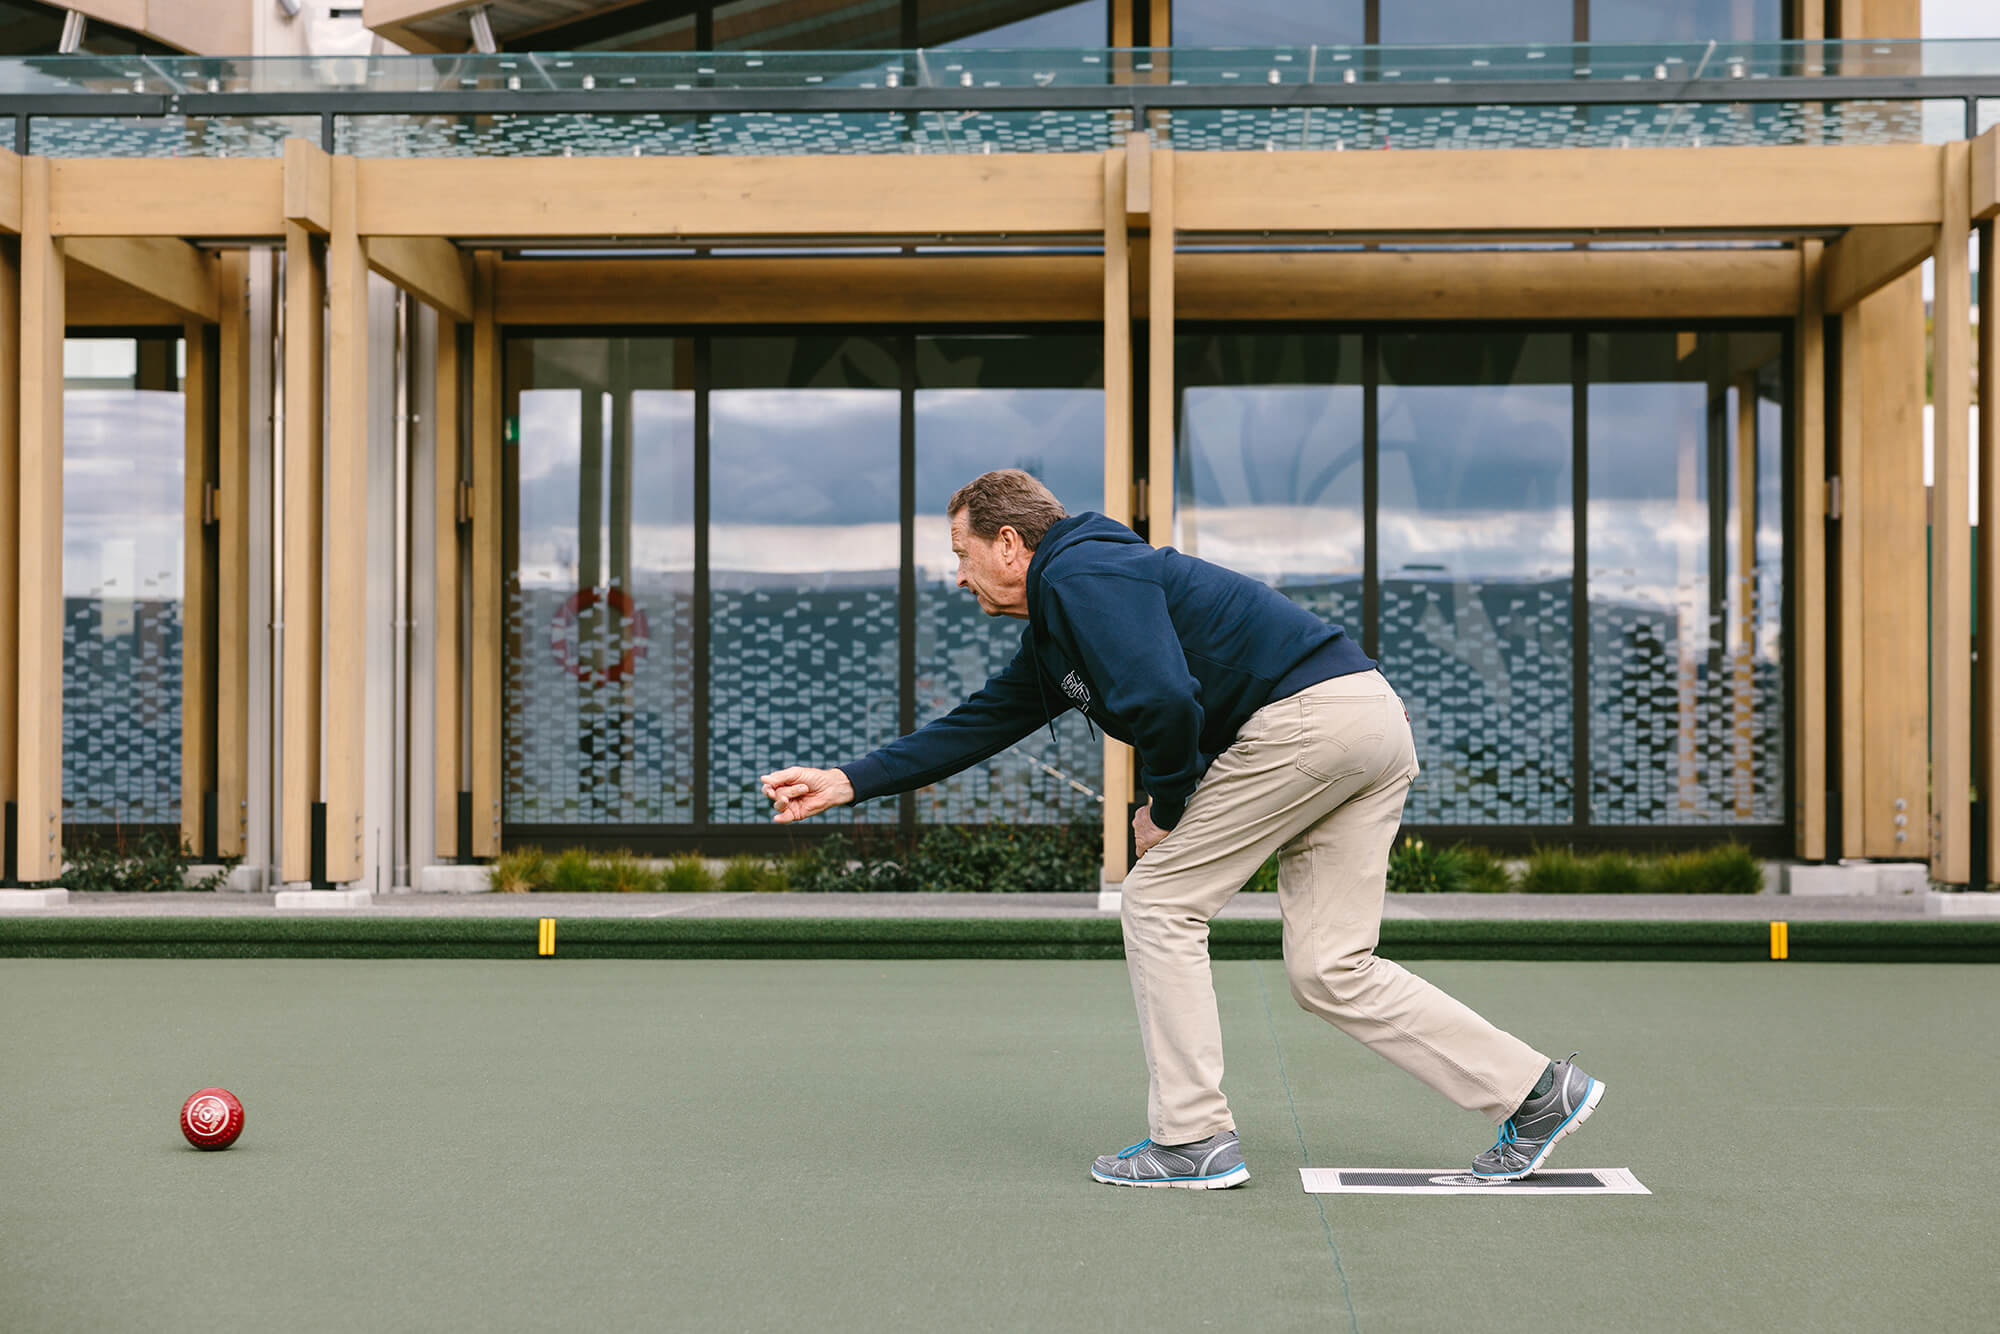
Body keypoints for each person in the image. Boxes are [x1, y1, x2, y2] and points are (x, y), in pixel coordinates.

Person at [760, 468, 1603, 1189]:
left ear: (1010, 543)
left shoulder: (1081, 572)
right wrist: (848, 780)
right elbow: (980, 722)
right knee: (1330, 968)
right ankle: (1537, 1090)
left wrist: (1167, 805)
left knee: (1159, 901)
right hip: (1367, 716)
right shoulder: (1070, 618)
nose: (958, 575)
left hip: (1307, 720)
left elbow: (1164, 698)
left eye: (961, 553)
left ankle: (1193, 1139)